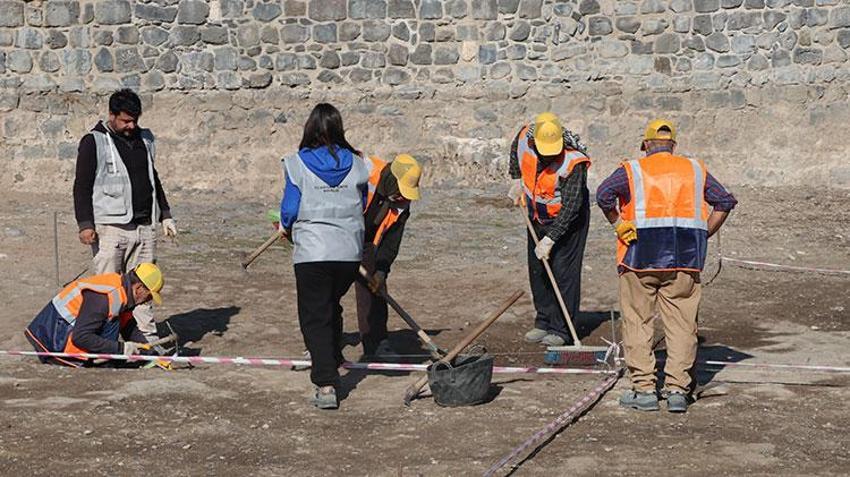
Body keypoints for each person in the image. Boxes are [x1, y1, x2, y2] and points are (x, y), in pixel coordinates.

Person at [596, 119, 737, 413]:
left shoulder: (632, 169)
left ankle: (644, 389)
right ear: (673, 145)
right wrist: (704, 232)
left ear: (646, 144)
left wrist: (619, 224)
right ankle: (677, 390)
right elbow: (724, 202)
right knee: (683, 325)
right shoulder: (694, 169)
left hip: (639, 258)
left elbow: (603, 194)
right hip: (685, 259)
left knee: (638, 321)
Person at [279, 103, 369, 410]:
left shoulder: (296, 163)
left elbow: (290, 208)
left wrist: (285, 225)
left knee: (315, 316)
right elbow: (362, 204)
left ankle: (326, 382)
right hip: (348, 252)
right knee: (330, 304)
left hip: (313, 252)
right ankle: (333, 356)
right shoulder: (358, 164)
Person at [72, 89, 176, 348]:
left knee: (144, 289)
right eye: (125, 121)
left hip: (144, 227)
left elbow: (153, 178)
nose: (131, 126)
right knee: (108, 291)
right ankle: (105, 342)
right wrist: (85, 224)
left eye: (134, 120)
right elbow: (81, 186)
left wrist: (165, 214)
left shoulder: (145, 139)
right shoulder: (93, 142)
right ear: (112, 115)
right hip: (111, 229)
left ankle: (146, 343)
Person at [508, 112, 591, 347]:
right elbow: (515, 151)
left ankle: (561, 329)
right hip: (536, 215)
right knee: (538, 270)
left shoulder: (573, 163)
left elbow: (571, 207)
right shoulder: (525, 137)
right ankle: (543, 321)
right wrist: (515, 180)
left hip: (569, 223)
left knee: (563, 273)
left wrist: (550, 239)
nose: (548, 155)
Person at [24, 263, 164, 367]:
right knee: (112, 324)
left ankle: (105, 360)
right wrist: (121, 349)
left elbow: (128, 326)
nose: (148, 300)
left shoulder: (122, 291)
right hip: (55, 343)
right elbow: (80, 337)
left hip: (57, 334)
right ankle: (102, 362)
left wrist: (148, 352)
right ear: (139, 288)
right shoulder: (106, 297)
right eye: (149, 296)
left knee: (114, 322)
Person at [355, 154, 422, 359]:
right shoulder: (362, 173)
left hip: (367, 241)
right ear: (391, 179)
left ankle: (377, 343)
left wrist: (382, 270)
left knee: (374, 289)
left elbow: (392, 240)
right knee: (329, 288)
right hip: (340, 234)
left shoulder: (402, 202)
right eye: (400, 191)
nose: (402, 197)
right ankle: (322, 343)